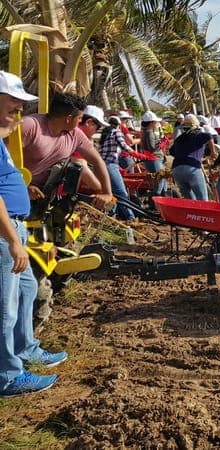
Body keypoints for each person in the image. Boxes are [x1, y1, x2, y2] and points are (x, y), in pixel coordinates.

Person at [0, 71, 67, 398]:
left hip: (16, 224)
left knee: (26, 289)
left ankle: (26, 348)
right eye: (13, 104)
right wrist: (12, 241)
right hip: (5, 231)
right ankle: (7, 376)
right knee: (5, 304)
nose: (18, 112)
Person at [20, 92, 114, 210]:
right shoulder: (30, 126)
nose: (80, 122)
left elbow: (97, 161)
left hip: (43, 195)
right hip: (16, 190)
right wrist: (23, 187)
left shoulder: (75, 134)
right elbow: (4, 161)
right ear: (69, 118)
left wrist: (107, 193)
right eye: (79, 118)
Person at [98, 116, 136, 222]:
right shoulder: (116, 132)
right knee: (121, 193)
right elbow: (124, 145)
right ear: (118, 125)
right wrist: (136, 154)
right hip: (110, 165)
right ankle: (131, 218)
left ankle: (110, 215)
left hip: (101, 165)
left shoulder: (104, 134)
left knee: (111, 192)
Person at [169, 114, 215, 201]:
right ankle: (202, 214)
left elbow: (171, 151)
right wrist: (213, 152)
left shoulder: (179, 139)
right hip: (191, 169)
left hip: (176, 170)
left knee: (189, 200)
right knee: (202, 199)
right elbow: (209, 136)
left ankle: (192, 214)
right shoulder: (197, 134)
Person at [140, 110, 167, 198]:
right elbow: (152, 147)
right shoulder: (149, 132)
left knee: (161, 180)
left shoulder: (145, 131)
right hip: (154, 159)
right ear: (151, 123)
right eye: (155, 121)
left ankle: (159, 198)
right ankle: (157, 199)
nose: (156, 123)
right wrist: (162, 143)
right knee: (160, 180)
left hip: (150, 159)